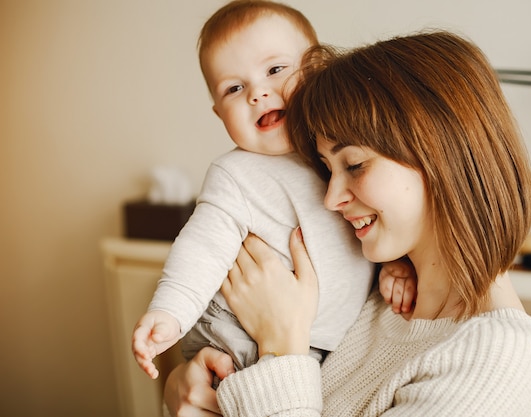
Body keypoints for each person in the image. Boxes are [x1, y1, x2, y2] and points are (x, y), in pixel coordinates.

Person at [164, 30, 531, 416]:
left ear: (443, 153)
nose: (331, 199)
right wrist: (183, 387)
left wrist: (281, 341)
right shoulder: (376, 292)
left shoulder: (499, 360)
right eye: (326, 169)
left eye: (354, 164)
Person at [131, 0, 377, 381]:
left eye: (275, 69)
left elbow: (376, 223)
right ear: (218, 113)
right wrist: (170, 312)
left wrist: (396, 269)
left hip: (329, 349)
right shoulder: (236, 174)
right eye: (233, 88)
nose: (257, 93)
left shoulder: (348, 153)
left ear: (316, 71)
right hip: (239, 337)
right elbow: (202, 249)